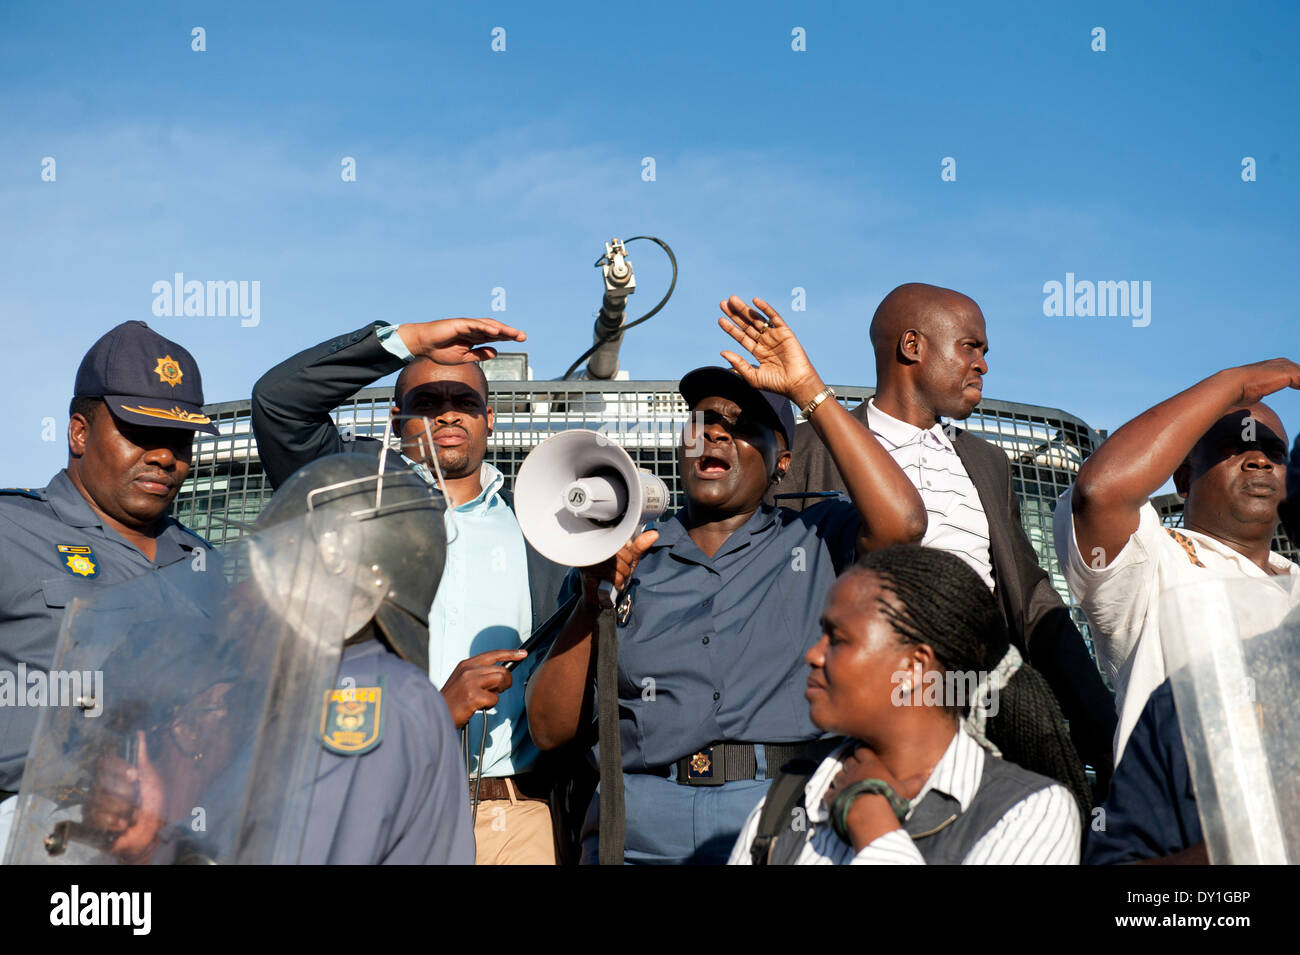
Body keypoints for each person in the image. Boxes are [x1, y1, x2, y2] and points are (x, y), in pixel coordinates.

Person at [526, 295, 927, 864]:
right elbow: (548, 729)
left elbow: (904, 524)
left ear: (782, 461)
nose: (713, 434)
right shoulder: (617, 551)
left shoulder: (817, 537)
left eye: (740, 427)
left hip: (777, 816)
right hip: (636, 824)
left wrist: (808, 389)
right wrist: (593, 599)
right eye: (702, 422)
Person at [52, 453, 475, 865]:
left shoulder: (359, 704)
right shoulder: (303, 699)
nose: (244, 592)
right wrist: (148, 841)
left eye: (273, 565)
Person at [252, 318, 570, 864]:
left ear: (489, 419)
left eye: (465, 402)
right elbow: (279, 404)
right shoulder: (358, 500)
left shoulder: (540, 530)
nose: (447, 412)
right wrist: (406, 342)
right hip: (377, 798)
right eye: (427, 400)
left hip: (511, 814)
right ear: (397, 421)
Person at [779, 283, 1116, 792]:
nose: (982, 364)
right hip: (856, 720)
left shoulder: (987, 463)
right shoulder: (809, 451)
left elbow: (1031, 600)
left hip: (984, 712)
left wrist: (1104, 734)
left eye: (983, 352)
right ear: (912, 347)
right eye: (970, 347)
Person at [730, 545, 1088, 865]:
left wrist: (872, 827)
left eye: (837, 639)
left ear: (914, 667)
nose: (813, 654)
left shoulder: (1030, 813)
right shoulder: (788, 798)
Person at [0, 321, 216, 849]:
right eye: (141, 434)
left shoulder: (205, 562)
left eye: (179, 440)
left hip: (180, 836)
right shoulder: (10, 532)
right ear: (79, 432)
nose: (166, 457)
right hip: (44, 831)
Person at [1054, 359, 1300, 762]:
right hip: (1183, 816)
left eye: (1275, 452)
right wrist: (1235, 384)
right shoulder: (1155, 559)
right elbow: (1101, 491)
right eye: (1234, 448)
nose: (1260, 460)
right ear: (1185, 480)